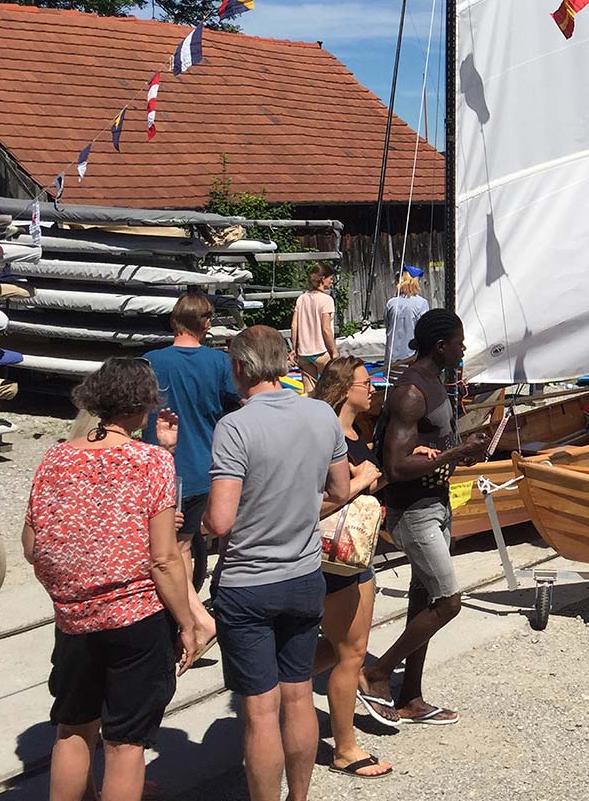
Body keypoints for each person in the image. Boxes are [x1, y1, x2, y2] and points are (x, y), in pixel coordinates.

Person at [23, 358, 199, 801]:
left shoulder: (56, 458)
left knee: (73, 729)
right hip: (136, 617)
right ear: (143, 406)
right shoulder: (151, 462)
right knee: (125, 742)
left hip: (75, 618)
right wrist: (188, 621)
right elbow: (163, 559)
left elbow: (31, 544)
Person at [205, 326, 350, 801]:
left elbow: (221, 520)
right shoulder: (320, 415)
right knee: (299, 693)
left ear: (241, 368)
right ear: (286, 362)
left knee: (262, 710)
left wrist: (203, 522)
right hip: (304, 575)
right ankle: (299, 797)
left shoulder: (235, 426)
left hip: (248, 580)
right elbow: (341, 490)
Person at [357, 309, 490, 728]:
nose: (463, 348)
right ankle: (376, 675)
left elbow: (430, 444)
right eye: (459, 342)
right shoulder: (411, 392)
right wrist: (455, 454)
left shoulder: (435, 383)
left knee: (422, 599)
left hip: (436, 503)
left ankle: (411, 696)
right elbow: (395, 465)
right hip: (413, 511)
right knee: (449, 601)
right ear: (440, 346)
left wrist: (463, 446)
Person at [309, 356, 391, 779]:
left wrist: (370, 478)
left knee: (343, 648)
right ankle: (344, 748)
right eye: (365, 382)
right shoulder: (326, 435)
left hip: (354, 553)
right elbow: (322, 497)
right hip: (335, 558)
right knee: (351, 654)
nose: (372, 388)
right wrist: (360, 482)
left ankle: (284, 685)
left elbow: (367, 480)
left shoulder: (356, 433)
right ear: (344, 389)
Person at [143, 292, 236, 645]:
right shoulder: (219, 364)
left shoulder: (151, 361)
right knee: (188, 544)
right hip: (205, 465)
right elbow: (235, 405)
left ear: (173, 321)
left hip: (164, 467)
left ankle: (197, 622)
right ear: (207, 323)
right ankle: (196, 615)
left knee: (172, 548)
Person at [290, 264, 339, 390]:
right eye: (330, 278)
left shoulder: (301, 298)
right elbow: (326, 329)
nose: (332, 281)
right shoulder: (326, 300)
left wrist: (294, 349)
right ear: (323, 279)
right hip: (321, 351)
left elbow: (294, 325)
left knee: (309, 391)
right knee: (333, 388)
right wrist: (334, 351)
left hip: (304, 353)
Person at [384, 267, 430, 368]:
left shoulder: (391, 303)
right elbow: (424, 332)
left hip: (391, 360)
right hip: (412, 359)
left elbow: (387, 327)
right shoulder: (421, 303)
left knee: (394, 382)